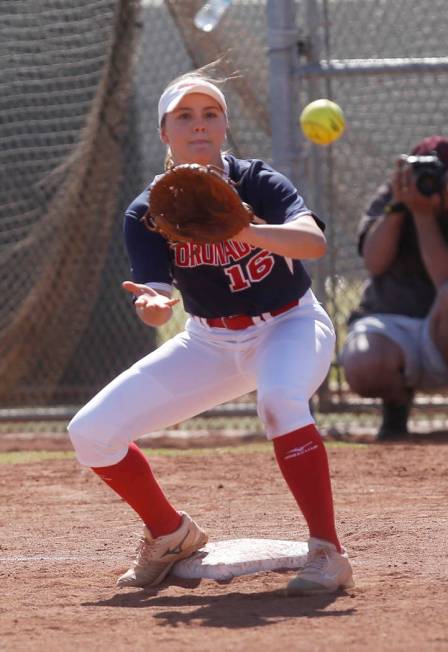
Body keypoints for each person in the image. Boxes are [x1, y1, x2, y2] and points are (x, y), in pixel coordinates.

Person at [68, 64, 354, 596]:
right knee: (90, 432)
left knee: (280, 400)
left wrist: (240, 225)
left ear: (223, 127)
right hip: (210, 340)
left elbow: (312, 244)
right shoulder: (149, 210)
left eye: (211, 114)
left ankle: (327, 552)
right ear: (164, 133)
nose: (199, 125)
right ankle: (170, 534)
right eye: (184, 116)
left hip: (288, 325)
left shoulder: (257, 181)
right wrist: (154, 306)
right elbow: (154, 298)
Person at [341, 136, 448, 440]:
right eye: (424, 176)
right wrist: (400, 208)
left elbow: (444, 281)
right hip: (392, 323)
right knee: (364, 362)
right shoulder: (392, 198)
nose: (430, 184)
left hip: (442, 331)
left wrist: (425, 217)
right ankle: (396, 410)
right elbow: (374, 261)